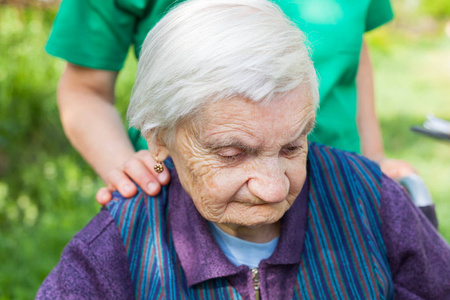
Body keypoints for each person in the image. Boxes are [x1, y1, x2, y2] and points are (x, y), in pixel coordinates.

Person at [37, 1, 450, 298]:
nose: (272, 190)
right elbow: (84, 91)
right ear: (158, 137)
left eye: (292, 147)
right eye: (232, 154)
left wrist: (369, 169)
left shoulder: (371, 204)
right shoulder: (114, 256)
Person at [45, 0, 416, 204]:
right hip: (192, 199)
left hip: (337, 190)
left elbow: (353, 50)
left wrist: (373, 156)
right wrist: (125, 167)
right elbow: (85, 90)